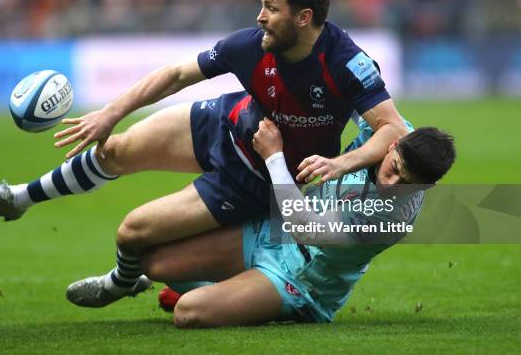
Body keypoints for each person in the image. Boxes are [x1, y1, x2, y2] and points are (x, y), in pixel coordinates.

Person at [0, 0, 408, 305]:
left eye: (271, 7)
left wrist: (339, 162)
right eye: (261, 4)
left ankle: (120, 281)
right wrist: (110, 113)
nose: (260, 16)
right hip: (226, 122)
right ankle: (17, 198)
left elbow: (390, 128)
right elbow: (175, 75)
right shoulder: (249, 45)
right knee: (114, 150)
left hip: (254, 177)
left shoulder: (347, 63)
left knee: (134, 233)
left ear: (304, 16)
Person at [139, 118, 456, 327]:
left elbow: (305, 228)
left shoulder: (391, 217)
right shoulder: (392, 128)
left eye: (406, 183)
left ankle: (248, 297)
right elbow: (358, 88)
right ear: (393, 144)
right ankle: (232, 290)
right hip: (272, 230)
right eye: (395, 168)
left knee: (188, 312)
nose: (392, 183)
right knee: (155, 264)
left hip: (300, 280)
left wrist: (274, 156)